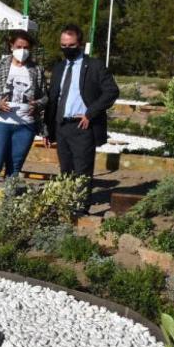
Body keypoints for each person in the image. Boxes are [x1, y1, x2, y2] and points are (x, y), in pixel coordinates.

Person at [44, 23, 119, 214]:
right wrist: (48, 128)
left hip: (82, 126)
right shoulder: (59, 67)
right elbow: (53, 98)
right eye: (63, 45)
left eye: (70, 45)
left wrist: (90, 112)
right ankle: (66, 205)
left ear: (80, 44)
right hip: (61, 126)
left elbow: (111, 91)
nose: (66, 49)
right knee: (65, 169)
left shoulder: (94, 66)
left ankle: (79, 210)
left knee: (82, 170)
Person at [0, 30, 47, 179]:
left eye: (26, 47)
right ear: (11, 46)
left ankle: (9, 201)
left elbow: (45, 96)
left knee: (14, 170)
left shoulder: (36, 70)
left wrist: (38, 104)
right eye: (19, 46)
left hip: (25, 125)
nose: (23, 51)